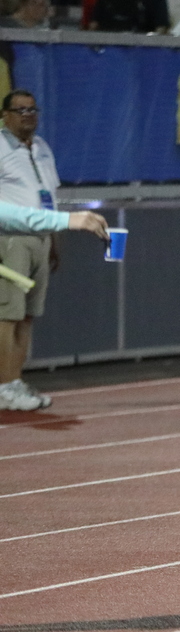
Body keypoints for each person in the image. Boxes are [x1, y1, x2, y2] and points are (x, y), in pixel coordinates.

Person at [0, 89, 66, 411]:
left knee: (27, 316)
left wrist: (54, 238)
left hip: (40, 239)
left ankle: (15, 381)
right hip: (9, 239)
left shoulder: (42, 148)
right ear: (5, 115)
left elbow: (49, 195)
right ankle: (4, 385)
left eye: (32, 109)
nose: (27, 114)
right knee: (6, 315)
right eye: (20, 110)